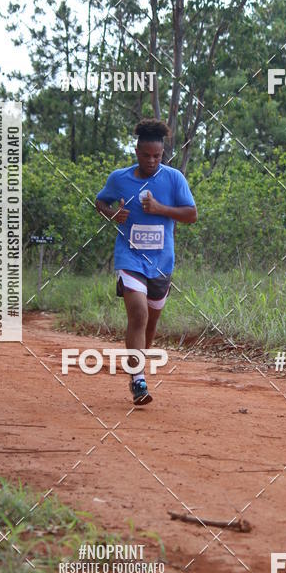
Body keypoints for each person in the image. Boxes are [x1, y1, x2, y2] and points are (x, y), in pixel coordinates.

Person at [95, 119, 197, 405]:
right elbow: (100, 202)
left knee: (150, 324)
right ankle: (138, 380)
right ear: (137, 152)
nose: (152, 161)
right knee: (138, 314)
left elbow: (191, 214)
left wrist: (160, 209)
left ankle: (135, 369)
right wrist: (112, 214)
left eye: (157, 156)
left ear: (162, 153)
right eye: (146, 155)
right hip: (130, 258)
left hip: (162, 262)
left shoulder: (174, 178)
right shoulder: (120, 178)